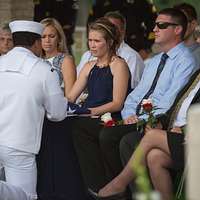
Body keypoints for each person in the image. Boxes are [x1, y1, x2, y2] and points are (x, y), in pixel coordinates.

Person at [95, 7, 198, 188]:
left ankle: (127, 191)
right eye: (155, 25)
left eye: (161, 25)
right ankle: (120, 190)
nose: (155, 29)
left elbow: (171, 101)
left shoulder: (186, 61)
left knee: (114, 137)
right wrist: (128, 114)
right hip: (134, 116)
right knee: (96, 131)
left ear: (177, 30)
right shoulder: (155, 59)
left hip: (156, 121)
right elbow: (137, 93)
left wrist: (141, 118)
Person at [97, 69, 200, 200]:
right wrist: (160, 123)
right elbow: (177, 108)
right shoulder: (197, 74)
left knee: (151, 136)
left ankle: (119, 184)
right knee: (154, 157)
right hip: (178, 135)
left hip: (193, 138)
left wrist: (186, 129)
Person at [0, 20, 68, 200]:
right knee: (26, 196)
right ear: (37, 43)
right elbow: (58, 114)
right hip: (19, 145)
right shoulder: (44, 70)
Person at [67, 17, 131, 192]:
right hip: (90, 115)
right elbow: (71, 97)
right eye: (90, 40)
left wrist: (90, 111)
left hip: (109, 117)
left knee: (79, 126)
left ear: (110, 42)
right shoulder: (88, 66)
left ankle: (98, 185)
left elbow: (117, 103)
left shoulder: (119, 65)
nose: (92, 45)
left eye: (97, 41)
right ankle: (87, 185)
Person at [36, 18, 86, 200]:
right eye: (43, 37)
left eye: (51, 36)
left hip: (59, 115)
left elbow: (70, 94)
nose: (47, 40)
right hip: (36, 115)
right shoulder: (35, 60)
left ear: (59, 38)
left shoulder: (65, 59)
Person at [77, 11, 144, 90]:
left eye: (113, 27)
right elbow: (76, 83)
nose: (108, 30)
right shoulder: (87, 56)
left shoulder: (132, 57)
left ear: (123, 31)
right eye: (105, 26)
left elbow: (130, 91)